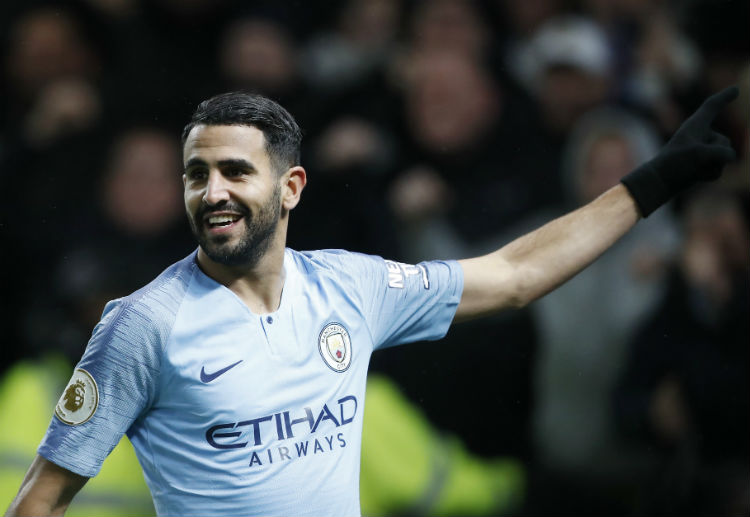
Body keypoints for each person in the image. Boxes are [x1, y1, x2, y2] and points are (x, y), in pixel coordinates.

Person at [5, 86, 738, 517]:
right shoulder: (141, 325)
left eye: (235, 171)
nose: (213, 191)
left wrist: (650, 185)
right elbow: (40, 499)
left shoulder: (348, 288)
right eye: (197, 174)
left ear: (290, 188)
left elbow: (515, 273)